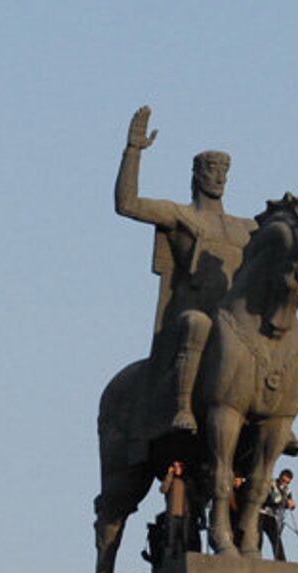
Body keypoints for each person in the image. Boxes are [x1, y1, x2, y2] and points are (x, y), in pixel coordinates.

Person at [115, 105, 255, 434]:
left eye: (224, 172)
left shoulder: (245, 228)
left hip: (235, 323)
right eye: (212, 170)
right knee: (198, 324)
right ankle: (181, 408)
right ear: (197, 174)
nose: (219, 177)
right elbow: (127, 204)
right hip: (193, 312)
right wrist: (133, 151)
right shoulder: (181, 215)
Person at [260, 469, 295, 560]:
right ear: (279, 477)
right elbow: (274, 499)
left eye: (287, 483)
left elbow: (288, 502)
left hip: (272, 515)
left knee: (276, 538)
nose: (284, 484)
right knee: (258, 537)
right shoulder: (271, 484)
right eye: (283, 481)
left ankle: (281, 560)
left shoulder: (287, 490)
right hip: (261, 513)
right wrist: (286, 502)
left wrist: (291, 504)